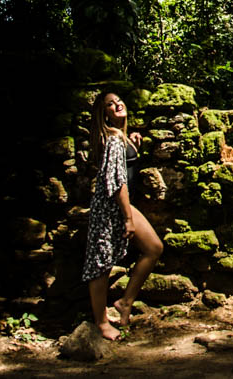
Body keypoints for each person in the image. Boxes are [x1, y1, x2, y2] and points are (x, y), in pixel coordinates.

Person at [82, 91, 163, 340]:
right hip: (110, 207)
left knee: (153, 247)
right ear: (103, 114)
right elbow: (117, 182)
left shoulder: (121, 138)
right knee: (101, 264)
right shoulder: (113, 140)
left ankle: (125, 303)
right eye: (110, 104)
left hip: (120, 205)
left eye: (119, 101)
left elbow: (124, 167)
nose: (117, 105)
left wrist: (133, 143)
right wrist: (127, 218)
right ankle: (101, 323)